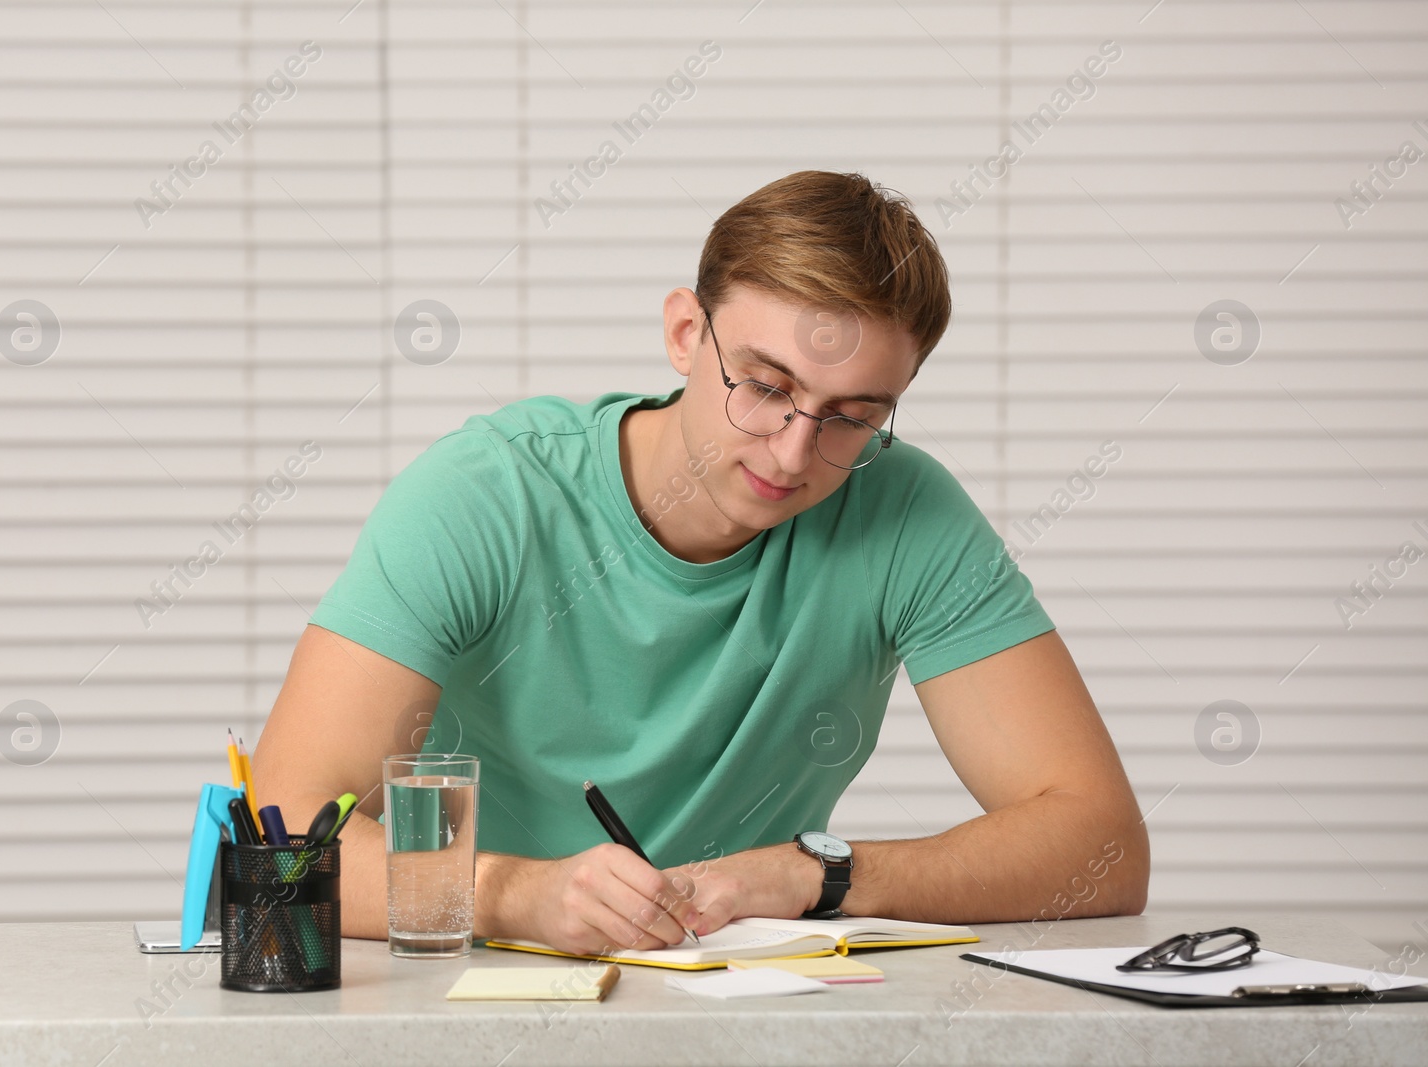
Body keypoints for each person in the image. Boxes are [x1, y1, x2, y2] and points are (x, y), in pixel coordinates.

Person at [254, 170, 1149, 955]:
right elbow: (282, 835)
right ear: (686, 333)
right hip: (477, 990)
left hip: (738, 1001)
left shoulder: (905, 509)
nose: (794, 454)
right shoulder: (486, 495)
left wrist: (812, 874)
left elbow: (1101, 846)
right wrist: (513, 895)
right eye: (764, 386)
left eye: (852, 416)